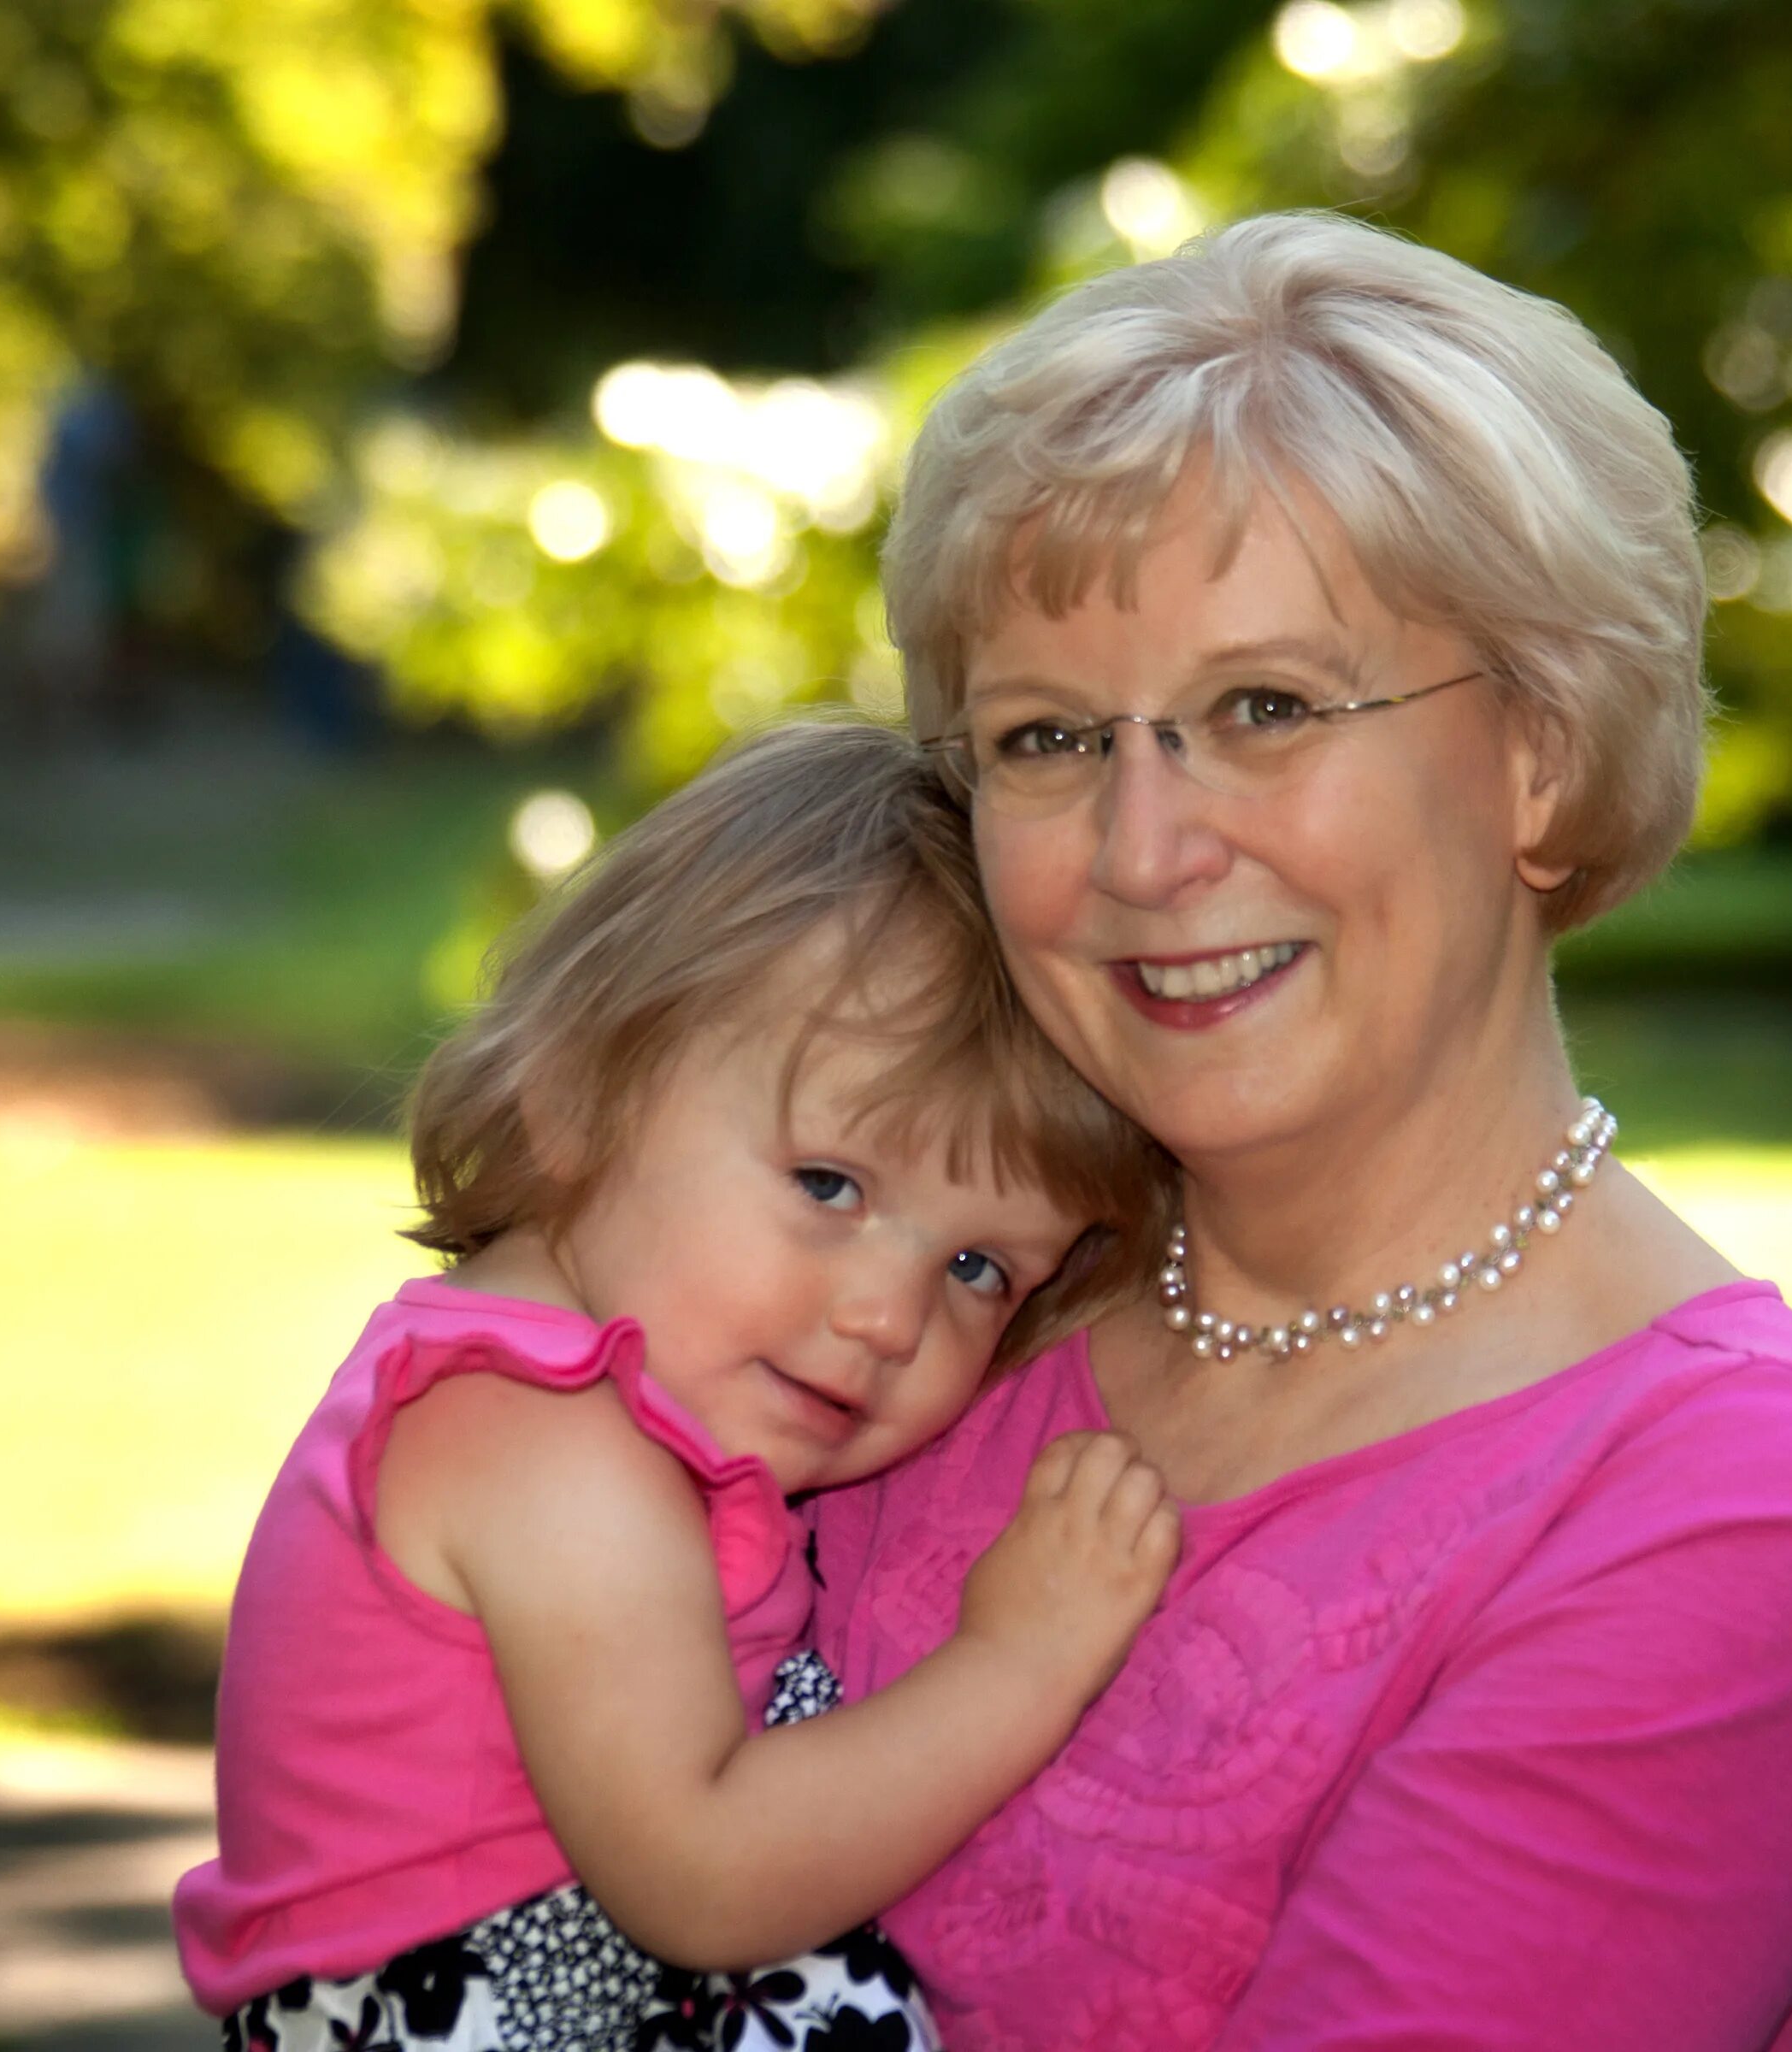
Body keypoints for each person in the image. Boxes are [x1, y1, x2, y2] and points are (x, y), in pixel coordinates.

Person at [805, 210, 1792, 2048]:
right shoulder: (924, 1298)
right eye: (1045, 739)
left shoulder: (1735, 1514)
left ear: (1545, 754)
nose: (1144, 851)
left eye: (1264, 708)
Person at [173, 722, 1183, 2052]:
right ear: (578, 1094)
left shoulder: (605, 1413)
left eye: (982, 1269)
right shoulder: (540, 1441)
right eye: (830, 1185)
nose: (887, 1316)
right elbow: (702, 1878)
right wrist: (1023, 1659)